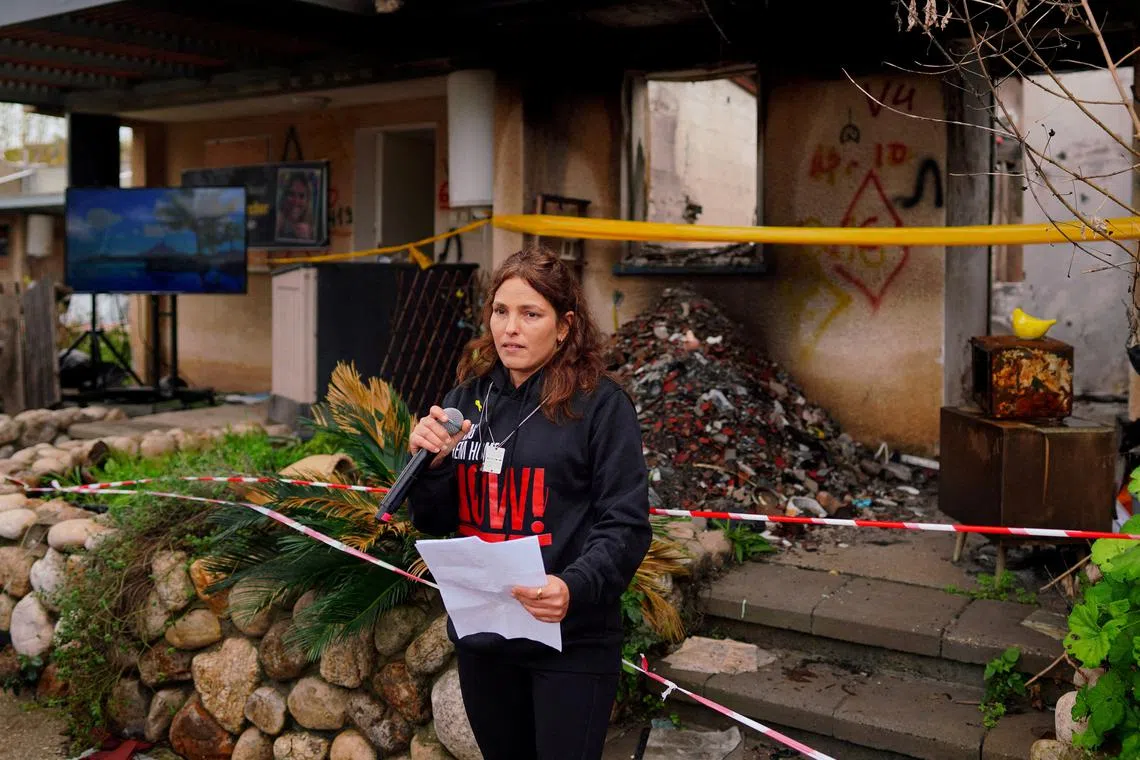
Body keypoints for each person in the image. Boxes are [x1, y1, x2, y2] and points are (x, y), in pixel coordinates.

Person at [406, 246, 652, 760]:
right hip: (484, 641)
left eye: (530, 313)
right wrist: (430, 467)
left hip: (569, 641)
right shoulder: (464, 402)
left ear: (564, 327)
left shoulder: (601, 407)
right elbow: (434, 519)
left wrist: (573, 586)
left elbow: (625, 525)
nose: (510, 328)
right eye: (501, 311)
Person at [276, 171, 315, 242]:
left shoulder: (312, 228)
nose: (296, 201)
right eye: (291, 194)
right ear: (284, 196)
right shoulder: (276, 221)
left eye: (301, 196)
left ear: (307, 200)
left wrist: (307, 240)